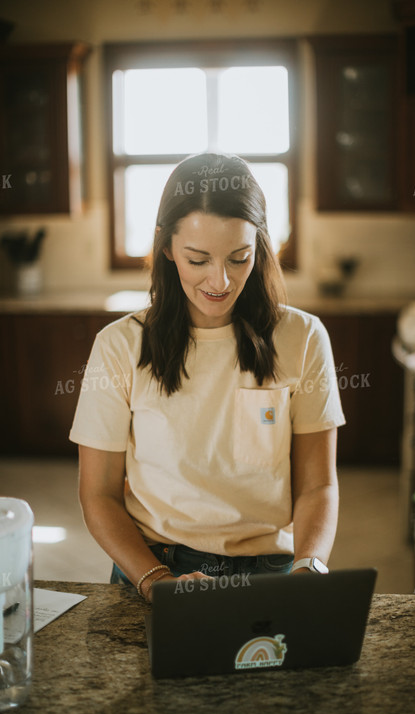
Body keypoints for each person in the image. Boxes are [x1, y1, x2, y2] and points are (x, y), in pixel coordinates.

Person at [69, 152, 345, 602]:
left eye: (240, 258)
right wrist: (157, 582)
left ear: (261, 246)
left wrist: (310, 565)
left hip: (272, 570)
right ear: (166, 248)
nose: (220, 281)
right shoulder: (118, 346)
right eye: (198, 259)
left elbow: (318, 484)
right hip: (154, 565)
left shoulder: (304, 337)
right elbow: (98, 495)